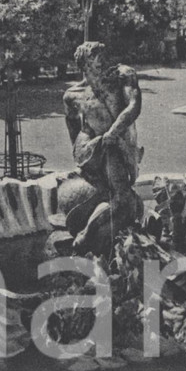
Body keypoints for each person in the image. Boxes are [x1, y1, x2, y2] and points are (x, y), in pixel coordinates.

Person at [62, 41, 144, 253]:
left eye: (102, 55)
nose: (101, 60)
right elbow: (72, 124)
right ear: (84, 63)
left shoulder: (122, 77)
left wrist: (113, 132)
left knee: (122, 193)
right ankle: (87, 234)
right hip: (95, 145)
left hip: (113, 140)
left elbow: (134, 107)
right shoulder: (73, 95)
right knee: (122, 197)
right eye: (94, 57)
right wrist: (81, 156)